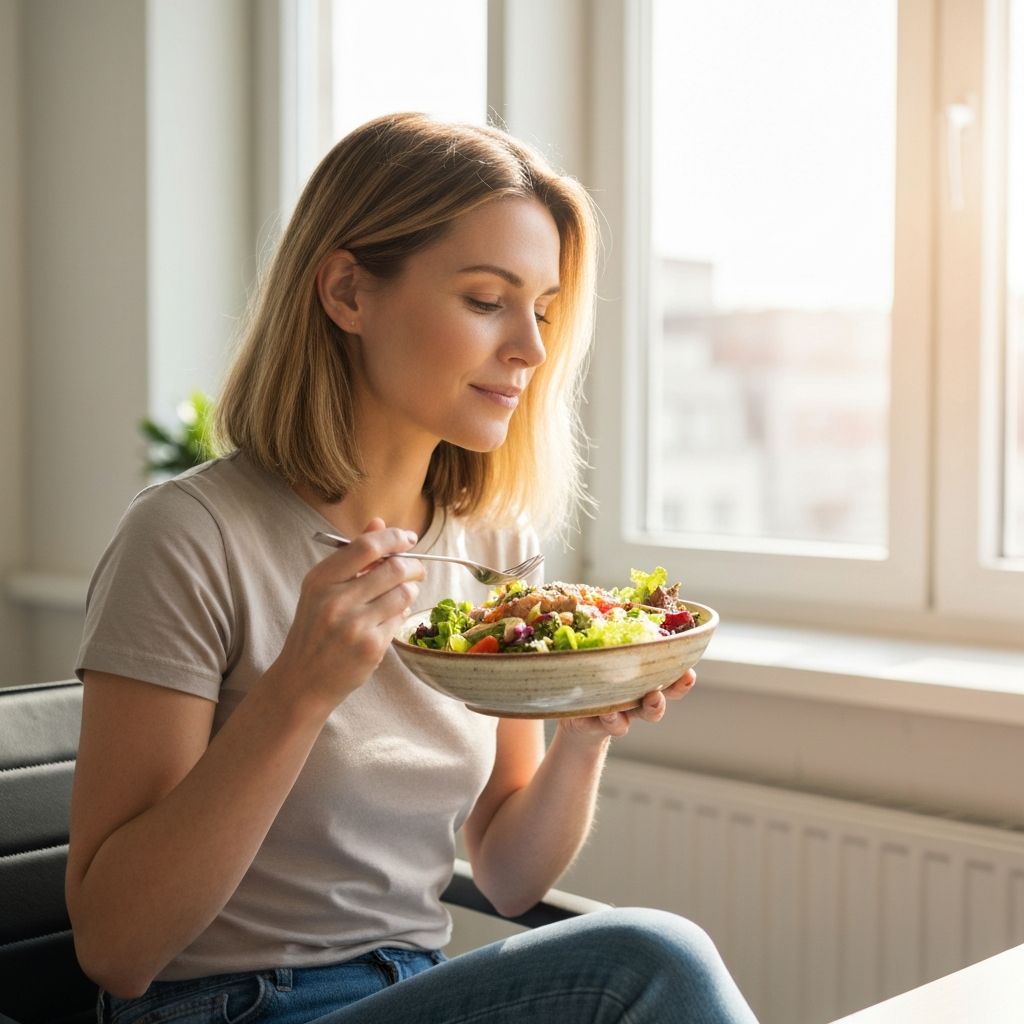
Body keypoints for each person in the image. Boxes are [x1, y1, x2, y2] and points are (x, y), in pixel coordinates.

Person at [68, 112, 758, 1024]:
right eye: (486, 300)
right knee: (651, 959)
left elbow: (508, 875)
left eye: (544, 311)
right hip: (232, 1009)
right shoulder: (190, 537)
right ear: (348, 292)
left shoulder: (493, 551)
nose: (532, 349)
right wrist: (298, 693)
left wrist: (587, 731)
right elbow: (116, 951)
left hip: (414, 990)